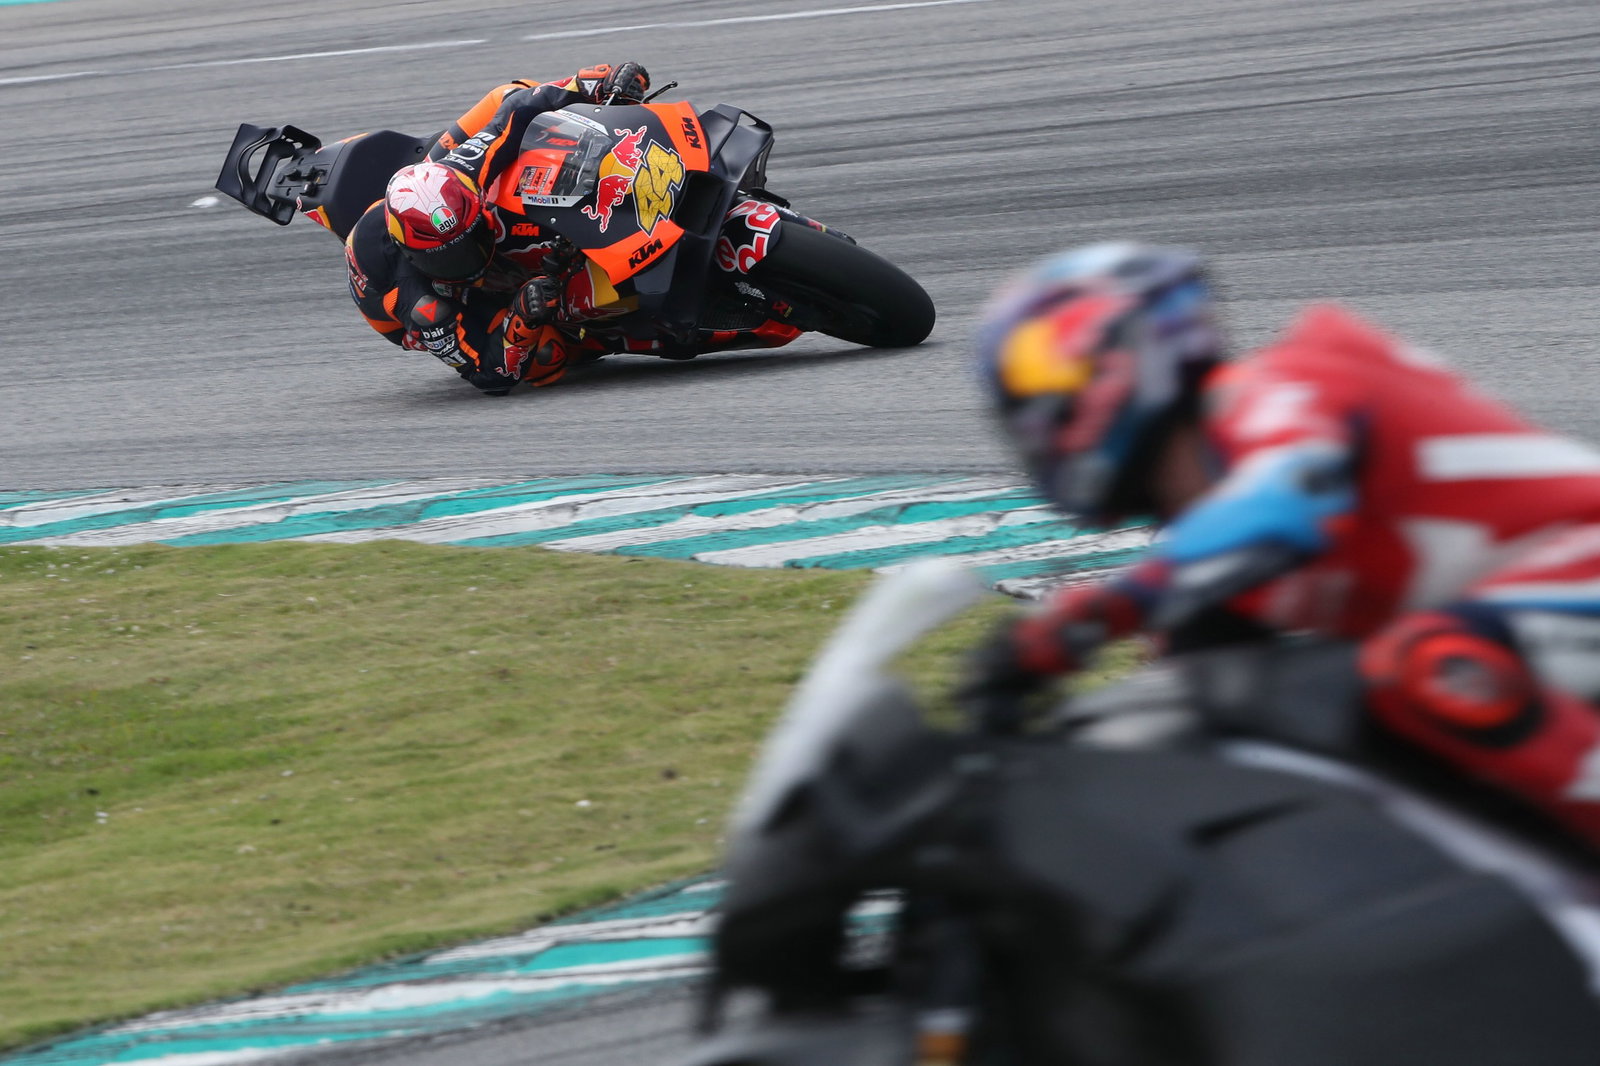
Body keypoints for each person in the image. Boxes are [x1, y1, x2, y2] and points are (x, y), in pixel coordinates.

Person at [964, 240, 1600, 850]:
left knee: (1428, 661)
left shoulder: (1279, 386)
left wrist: (1085, 620)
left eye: (1044, 364)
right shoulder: (1216, 568)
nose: (1032, 406)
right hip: (1534, 624)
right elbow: (1191, 722)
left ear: (1123, 345)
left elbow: (1286, 503)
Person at [343, 62, 652, 394]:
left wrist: (597, 82)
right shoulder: (425, 308)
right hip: (436, 302)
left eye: (472, 238)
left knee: (508, 95)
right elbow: (491, 375)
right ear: (415, 255)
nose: (471, 257)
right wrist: (523, 317)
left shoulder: (462, 172)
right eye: (451, 257)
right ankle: (595, 335)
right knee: (546, 355)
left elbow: (520, 108)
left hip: (438, 188)